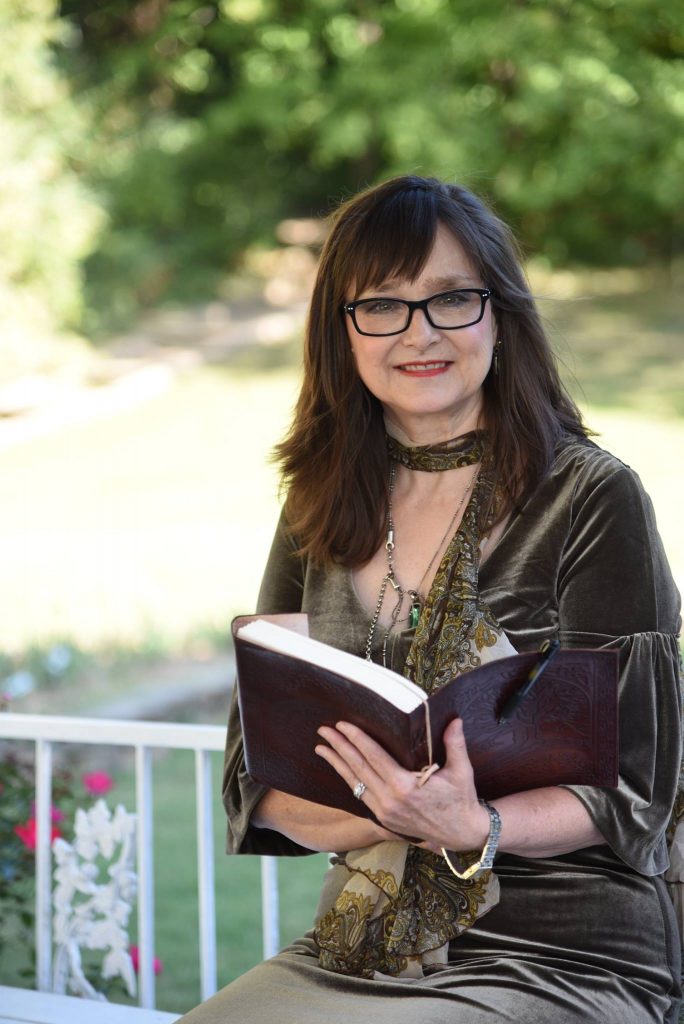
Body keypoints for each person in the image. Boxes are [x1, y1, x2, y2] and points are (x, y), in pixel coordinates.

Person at [181, 175, 682, 1022]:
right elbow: (256, 777)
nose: (420, 334)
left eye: (451, 300)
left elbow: (641, 782)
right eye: (381, 305)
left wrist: (475, 824)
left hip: (566, 949)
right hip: (362, 942)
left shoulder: (593, 497)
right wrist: (391, 812)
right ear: (343, 333)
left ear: (500, 315)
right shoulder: (317, 500)